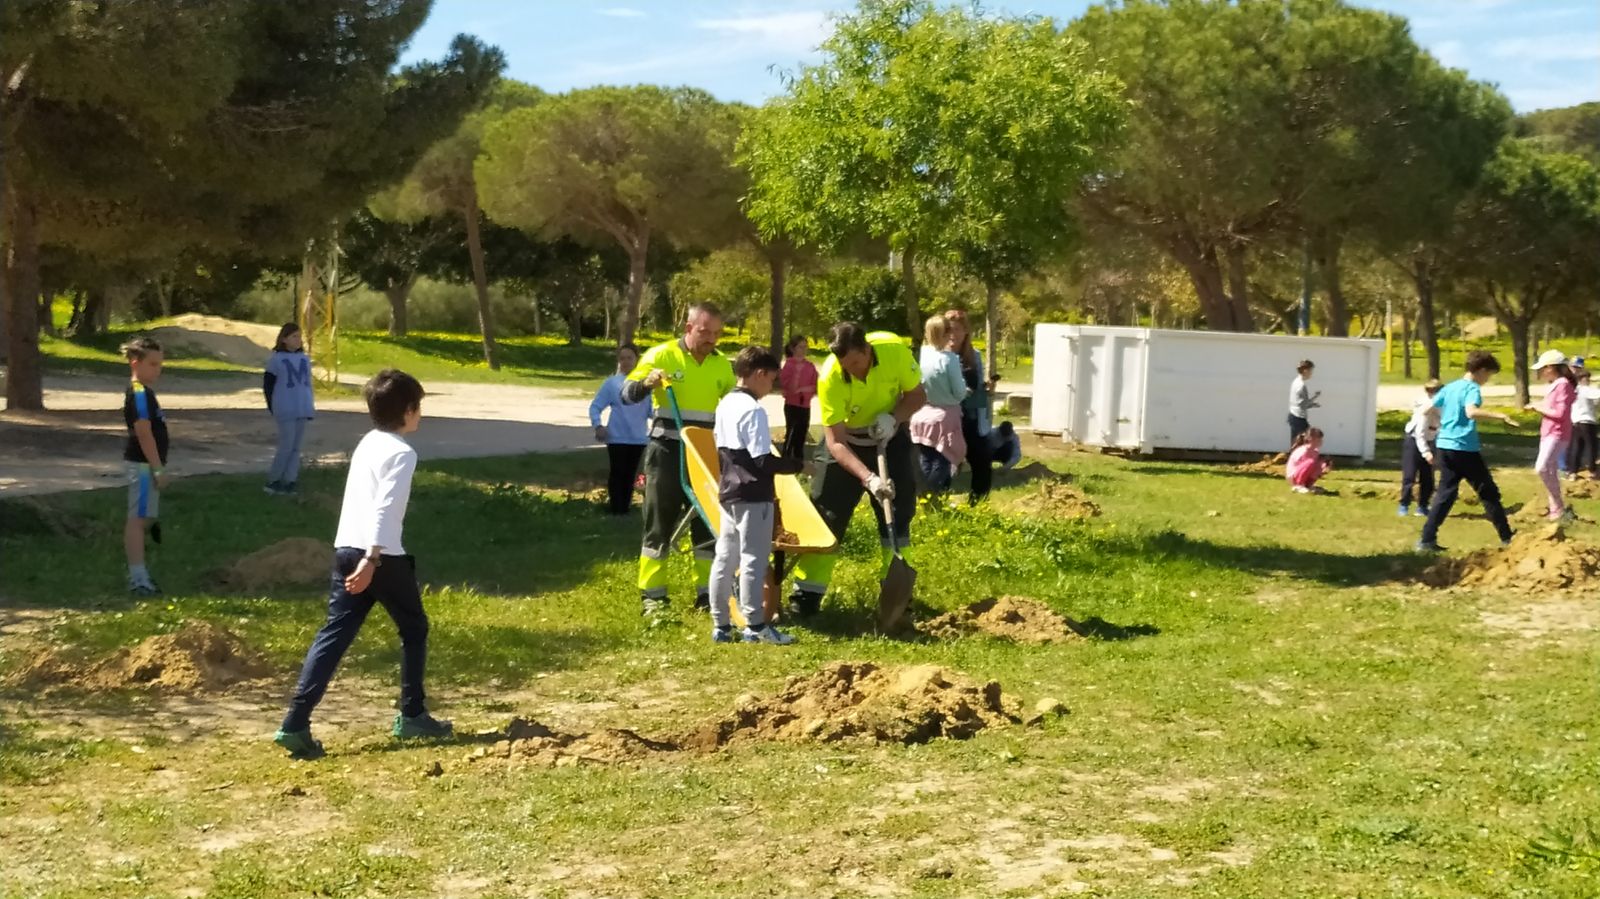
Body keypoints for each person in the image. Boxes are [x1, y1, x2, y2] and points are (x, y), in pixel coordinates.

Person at [274, 369, 451, 759]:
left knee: (333, 637)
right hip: (378, 555)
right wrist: (373, 558)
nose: (420, 414)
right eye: (418, 406)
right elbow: (385, 509)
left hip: (345, 550)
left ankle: (295, 723)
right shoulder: (402, 453)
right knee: (414, 628)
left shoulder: (369, 442)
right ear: (408, 410)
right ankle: (413, 715)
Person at [787, 323, 927, 619]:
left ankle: (898, 594)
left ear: (867, 351)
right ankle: (807, 594)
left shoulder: (894, 352)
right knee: (827, 515)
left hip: (889, 436)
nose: (850, 370)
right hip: (846, 443)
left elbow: (917, 395)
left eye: (855, 363)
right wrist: (869, 478)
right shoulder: (830, 377)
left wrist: (894, 418)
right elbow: (835, 442)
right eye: (844, 365)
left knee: (898, 514)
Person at [621, 303, 736, 619]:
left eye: (716, 333)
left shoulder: (721, 366)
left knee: (708, 523)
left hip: (706, 454)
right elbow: (626, 394)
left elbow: (734, 403)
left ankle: (707, 594)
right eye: (704, 331)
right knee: (659, 521)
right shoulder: (661, 355)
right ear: (688, 327)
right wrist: (648, 383)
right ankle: (653, 596)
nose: (710, 339)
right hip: (667, 451)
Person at [709, 346, 805, 645]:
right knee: (754, 558)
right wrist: (798, 465)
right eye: (771, 379)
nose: (770, 387)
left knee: (725, 556)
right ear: (759, 374)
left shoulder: (724, 403)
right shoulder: (753, 410)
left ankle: (721, 625)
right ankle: (755, 625)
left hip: (729, 490)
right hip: (753, 493)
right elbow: (762, 459)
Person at [1417, 351, 1519, 553]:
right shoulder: (1472, 389)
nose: (1487, 380)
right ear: (1481, 371)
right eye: (1488, 375)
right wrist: (1501, 416)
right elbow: (1471, 412)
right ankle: (1507, 537)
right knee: (1488, 492)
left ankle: (1426, 539)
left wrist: (1445, 422)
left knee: (1445, 494)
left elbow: (1426, 409)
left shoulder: (1451, 387)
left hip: (1444, 446)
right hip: (1464, 448)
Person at [121, 337, 168, 597]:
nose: (157, 370)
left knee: (144, 517)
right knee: (137, 521)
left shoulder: (147, 393)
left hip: (147, 464)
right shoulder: (139, 393)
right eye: (152, 364)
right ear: (135, 363)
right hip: (142, 465)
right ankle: (138, 578)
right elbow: (144, 432)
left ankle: (140, 572)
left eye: (160, 364)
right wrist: (157, 468)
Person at [589, 343, 652, 515]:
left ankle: (625, 507)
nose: (625, 362)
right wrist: (598, 425)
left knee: (630, 473)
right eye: (622, 358)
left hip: (638, 438)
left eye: (629, 358)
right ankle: (616, 507)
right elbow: (595, 407)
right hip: (617, 437)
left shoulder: (645, 384)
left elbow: (652, 411)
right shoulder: (612, 384)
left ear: (636, 360)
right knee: (617, 472)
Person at [910, 314, 969, 493]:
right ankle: (933, 495)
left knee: (925, 458)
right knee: (942, 459)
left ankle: (922, 494)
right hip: (944, 416)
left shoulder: (921, 355)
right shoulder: (948, 359)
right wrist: (966, 391)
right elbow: (959, 392)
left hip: (921, 412)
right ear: (944, 334)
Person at [946, 309, 999, 502]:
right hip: (947, 416)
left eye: (957, 329)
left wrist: (988, 388)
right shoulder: (939, 355)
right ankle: (937, 501)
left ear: (966, 331)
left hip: (971, 416)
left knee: (982, 459)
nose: (953, 334)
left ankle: (978, 502)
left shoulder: (974, 355)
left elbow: (976, 385)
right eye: (948, 330)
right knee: (943, 462)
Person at [263, 323, 316, 497]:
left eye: (299, 336)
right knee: (286, 446)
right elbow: (268, 385)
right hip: (285, 407)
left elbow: (307, 385)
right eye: (294, 336)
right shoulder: (276, 359)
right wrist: (272, 406)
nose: (298, 339)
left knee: (296, 447)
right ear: (284, 339)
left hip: (301, 406)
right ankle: (274, 480)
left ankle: (290, 480)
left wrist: (309, 405)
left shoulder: (305, 359)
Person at [1525, 349, 1576, 521]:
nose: (1540, 372)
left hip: (1557, 433)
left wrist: (1537, 407)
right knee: (1550, 470)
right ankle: (1556, 509)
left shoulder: (1563, 385)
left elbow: (1560, 413)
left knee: (1542, 467)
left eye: (1542, 368)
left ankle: (1558, 505)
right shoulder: (1556, 385)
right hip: (1549, 432)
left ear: (1550, 368)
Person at [1399, 379, 1443, 517]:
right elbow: (1420, 434)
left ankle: (1423, 506)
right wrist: (1426, 452)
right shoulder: (1425, 407)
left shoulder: (1441, 406)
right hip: (1414, 441)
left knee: (1428, 477)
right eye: (1430, 391)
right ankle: (1404, 504)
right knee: (1409, 475)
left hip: (1430, 440)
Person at [779, 334, 817, 462]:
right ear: (793, 348)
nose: (803, 350)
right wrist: (797, 373)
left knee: (802, 434)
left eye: (805, 347)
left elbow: (815, 386)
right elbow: (790, 389)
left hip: (805, 405)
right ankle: (785, 461)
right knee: (791, 433)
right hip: (792, 405)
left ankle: (799, 463)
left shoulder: (810, 366)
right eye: (800, 347)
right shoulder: (789, 365)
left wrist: (802, 389)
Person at [1568, 367, 1599, 479]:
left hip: (1575, 422)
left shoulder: (1574, 390)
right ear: (1582, 379)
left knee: (1577, 447)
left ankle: (1573, 471)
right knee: (1591, 446)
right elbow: (1597, 395)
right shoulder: (1586, 389)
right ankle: (1592, 471)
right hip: (1587, 421)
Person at [1286, 427, 1332, 494]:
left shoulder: (1316, 452)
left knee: (1320, 464)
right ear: (1311, 439)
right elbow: (1300, 466)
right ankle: (1299, 485)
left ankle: (1308, 485)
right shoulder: (1303, 451)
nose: (1321, 441)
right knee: (1311, 462)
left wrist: (1323, 467)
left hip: (1303, 475)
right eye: (1318, 439)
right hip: (1294, 476)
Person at [1288, 360, 1319, 449]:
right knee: (1302, 443)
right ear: (1305, 371)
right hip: (1299, 418)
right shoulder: (1301, 385)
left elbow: (1301, 402)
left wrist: (1314, 399)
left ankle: (1294, 460)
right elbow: (1303, 405)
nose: (1311, 374)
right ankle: (1296, 461)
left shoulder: (1295, 382)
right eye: (1311, 371)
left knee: (1297, 443)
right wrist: (1312, 404)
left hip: (1294, 416)